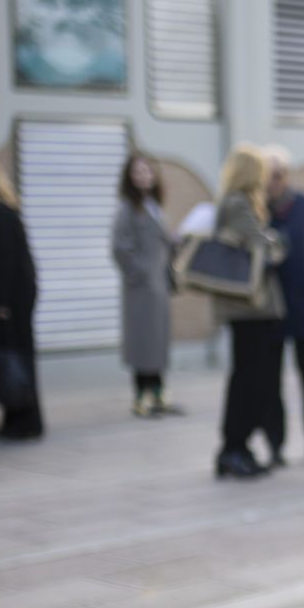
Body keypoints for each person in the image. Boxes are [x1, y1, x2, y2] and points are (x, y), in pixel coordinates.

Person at [213, 144, 286, 478]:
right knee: (249, 381)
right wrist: (276, 242)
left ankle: (237, 447)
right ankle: (234, 448)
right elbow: (263, 248)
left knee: (249, 379)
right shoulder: (238, 203)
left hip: (250, 311)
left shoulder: (235, 202)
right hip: (250, 309)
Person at [263, 144, 304, 466]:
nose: (275, 181)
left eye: (279, 174)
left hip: (303, 305)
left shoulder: (302, 205)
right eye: (269, 175)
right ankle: (275, 445)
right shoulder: (259, 209)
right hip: (271, 310)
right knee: (270, 381)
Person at [0, 158, 43, 440]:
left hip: (7, 304)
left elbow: (2, 263)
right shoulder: (1, 212)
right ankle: (17, 418)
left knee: (12, 359)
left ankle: (24, 421)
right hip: (12, 301)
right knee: (13, 358)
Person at [112, 153, 183, 418]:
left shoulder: (153, 206)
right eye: (138, 171)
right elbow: (120, 249)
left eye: (147, 171)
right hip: (141, 290)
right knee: (143, 343)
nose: (143, 176)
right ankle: (141, 396)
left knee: (158, 342)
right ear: (129, 177)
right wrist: (140, 274)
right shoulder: (127, 210)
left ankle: (158, 393)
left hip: (159, 288)